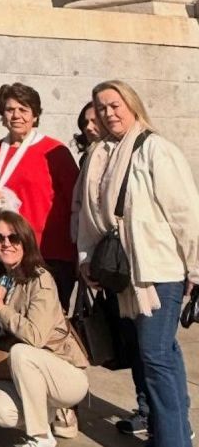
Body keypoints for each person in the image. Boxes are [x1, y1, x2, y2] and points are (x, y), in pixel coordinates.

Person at [76, 80, 199, 447]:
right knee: (163, 353)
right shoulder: (100, 154)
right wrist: (86, 257)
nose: (108, 113)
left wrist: (196, 267)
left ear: (132, 105)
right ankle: (176, 432)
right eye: (101, 108)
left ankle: (172, 440)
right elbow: (89, 214)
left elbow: (185, 213)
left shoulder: (156, 149)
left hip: (157, 271)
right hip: (123, 274)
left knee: (155, 355)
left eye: (115, 105)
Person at [0, 210, 89, 447]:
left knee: (22, 353)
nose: (6, 244)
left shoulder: (40, 279)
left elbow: (35, 337)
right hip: (30, 373)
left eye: (13, 238)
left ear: (25, 241)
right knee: (0, 410)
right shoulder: (3, 279)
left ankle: (40, 437)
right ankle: (50, 414)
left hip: (66, 374)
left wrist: (1, 307)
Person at [0, 83, 79, 311]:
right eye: (10, 109)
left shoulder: (55, 151)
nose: (16, 115)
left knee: (48, 322)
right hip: (9, 251)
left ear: (35, 115)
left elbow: (77, 200)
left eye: (23, 109)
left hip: (50, 252)